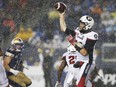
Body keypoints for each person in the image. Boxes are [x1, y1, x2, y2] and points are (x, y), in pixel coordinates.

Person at [57, 5, 99, 87]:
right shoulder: (78, 32)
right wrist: (61, 15)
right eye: (80, 23)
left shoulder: (92, 35)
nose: (80, 25)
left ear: (88, 25)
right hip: (78, 62)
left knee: (80, 84)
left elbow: (84, 53)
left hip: (87, 62)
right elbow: (64, 28)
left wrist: (73, 42)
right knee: (85, 84)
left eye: (82, 24)